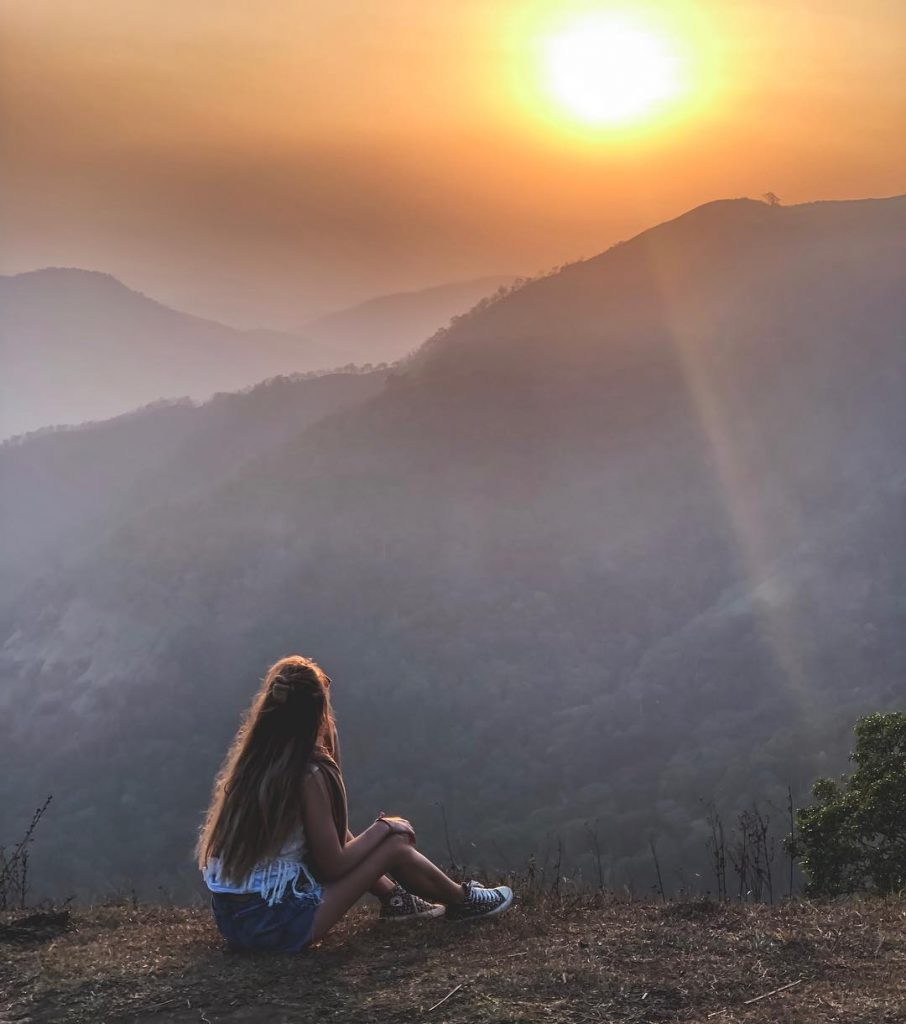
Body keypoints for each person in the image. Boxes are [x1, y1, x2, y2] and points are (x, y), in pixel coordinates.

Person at [195, 654, 513, 952]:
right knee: (396, 845)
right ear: (317, 715)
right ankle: (463, 901)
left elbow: (329, 836)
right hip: (277, 925)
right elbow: (333, 864)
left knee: (377, 839)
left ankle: (397, 900)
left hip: (233, 921)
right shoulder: (307, 773)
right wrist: (383, 828)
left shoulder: (255, 762)